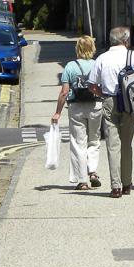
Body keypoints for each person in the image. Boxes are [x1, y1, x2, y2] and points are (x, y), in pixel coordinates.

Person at [86, 26, 134, 198]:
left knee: (113, 145)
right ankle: (127, 183)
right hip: (130, 102)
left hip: (109, 100)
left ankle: (115, 187)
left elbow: (91, 85)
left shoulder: (102, 58)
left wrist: (103, 94)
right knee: (126, 144)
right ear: (126, 40)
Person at [51, 35, 102, 190]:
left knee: (78, 142)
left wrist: (57, 112)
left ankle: (82, 181)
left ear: (78, 48)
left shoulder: (70, 66)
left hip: (76, 107)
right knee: (94, 140)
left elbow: (64, 92)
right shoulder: (97, 64)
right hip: (95, 105)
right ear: (92, 48)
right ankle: (92, 172)